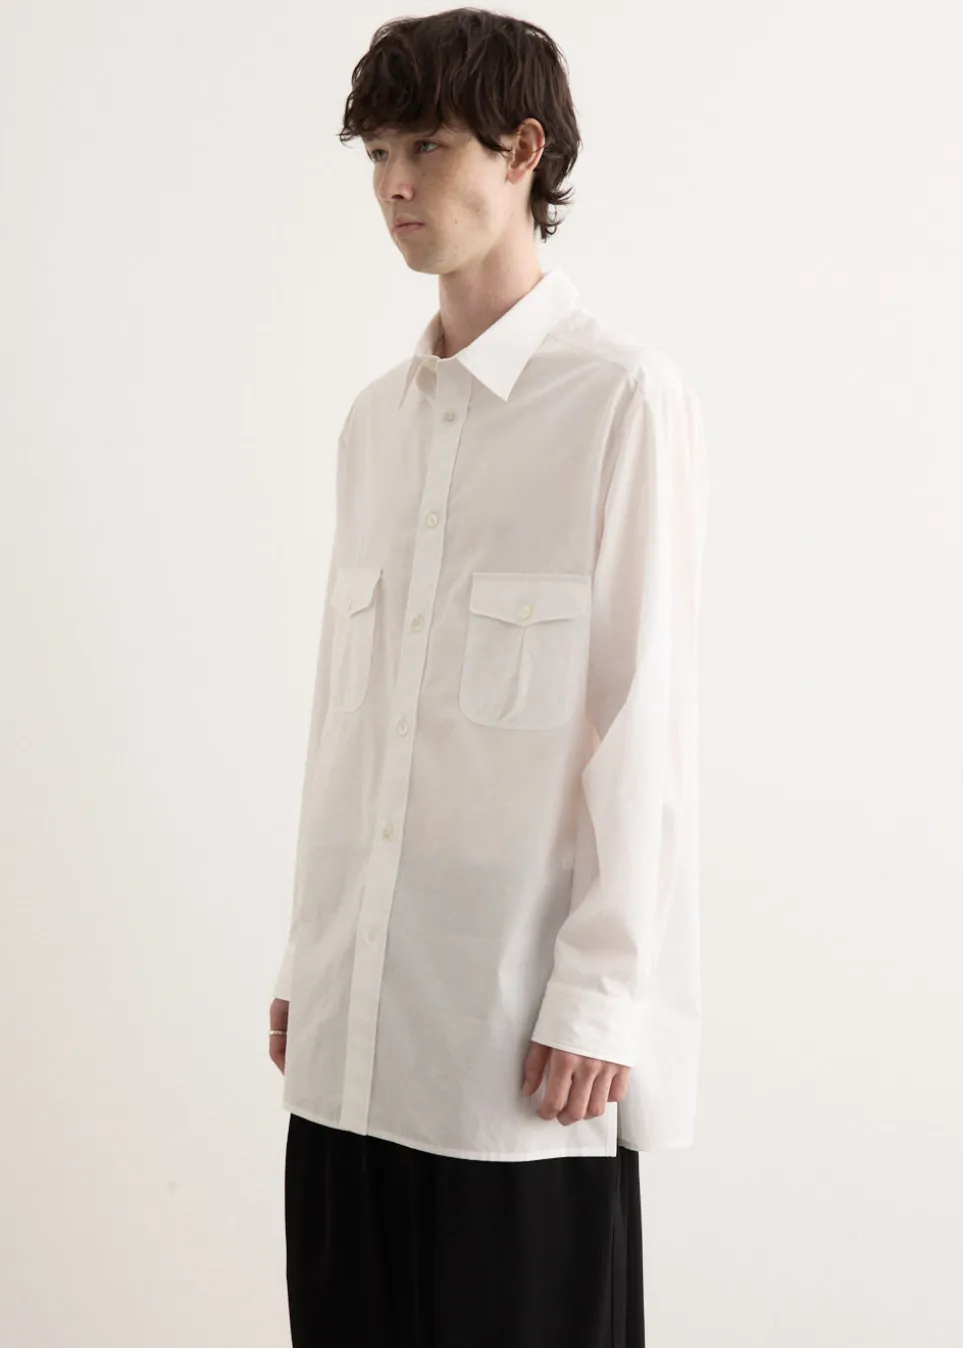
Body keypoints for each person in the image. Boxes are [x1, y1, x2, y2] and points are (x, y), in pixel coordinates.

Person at [268, 9, 708, 1346]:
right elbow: (347, 728)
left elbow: (644, 721)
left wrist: (602, 996)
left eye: (427, 147)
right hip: (350, 1042)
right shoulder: (374, 425)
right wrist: (308, 955)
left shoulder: (620, 401)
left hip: (515, 1052)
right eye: (377, 154)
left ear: (522, 152)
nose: (394, 185)